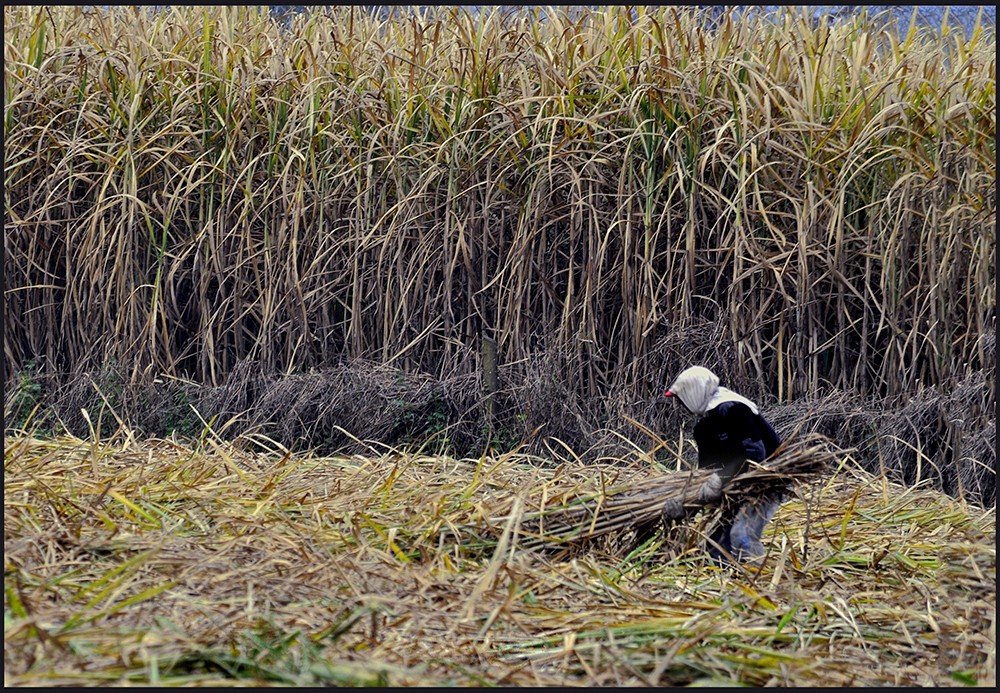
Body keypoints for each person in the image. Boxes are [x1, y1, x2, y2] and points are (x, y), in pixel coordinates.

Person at [662, 365, 783, 562]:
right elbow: (706, 472)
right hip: (736, 486)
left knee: (741, 536)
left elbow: (755, 452)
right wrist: (685, 501)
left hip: (765, 481)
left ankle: (757, 582)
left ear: (693, 391)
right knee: (715, 548)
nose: (681, 405)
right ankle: (725, 584)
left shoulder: (733, 409)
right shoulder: (704, 427)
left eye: (680, 398)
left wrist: (721, 478)